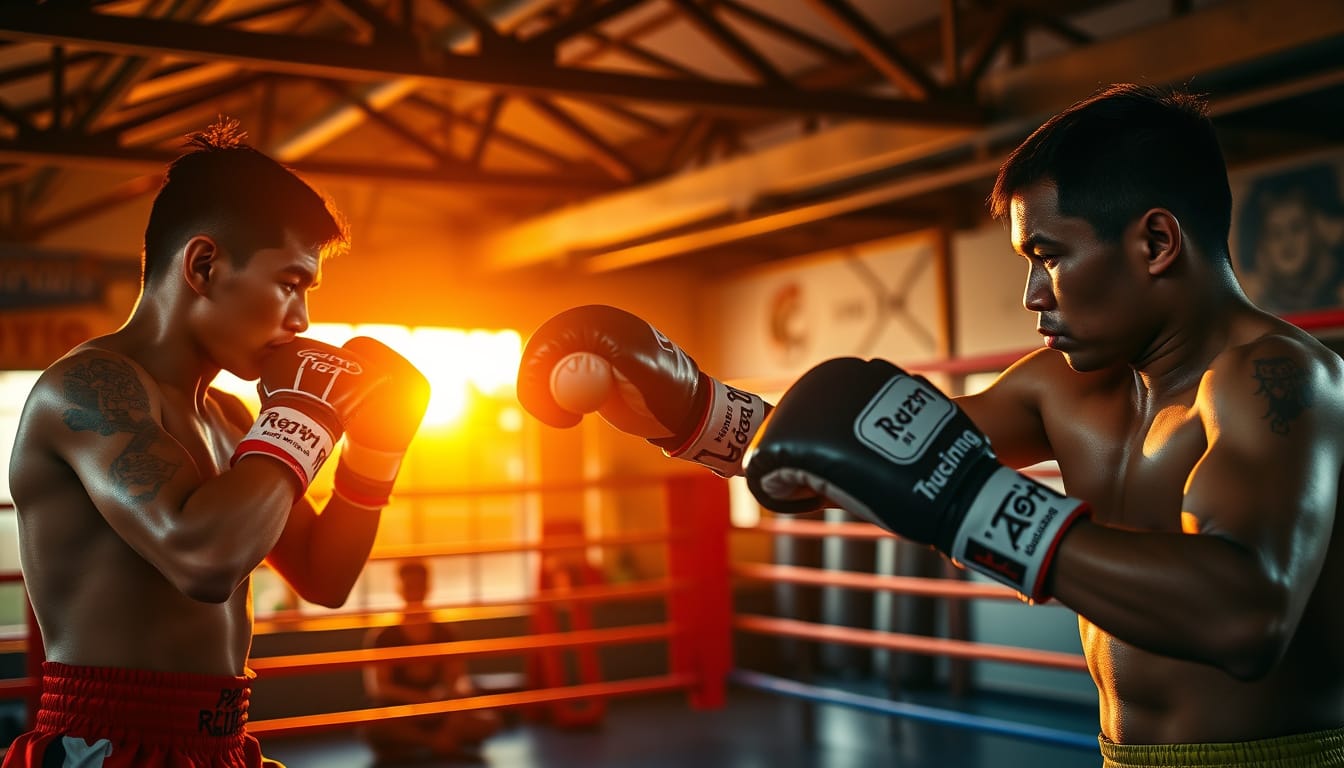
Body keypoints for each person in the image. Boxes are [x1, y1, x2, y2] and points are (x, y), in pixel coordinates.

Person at [516, 84, 1344, 765]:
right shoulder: (1065, 389)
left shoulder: (1276, 379)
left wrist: (976, 507)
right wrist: (691, 411)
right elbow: (864, 453)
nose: (1033, 296)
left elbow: (1247, 614)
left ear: (1156, 241)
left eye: (1049, 256)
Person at [5, 119, 430, 767]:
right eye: (290, 283)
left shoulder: (231, 416)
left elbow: (324, 574)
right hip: (109, 745)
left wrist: (376, 451)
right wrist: (305, 416)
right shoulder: (86, 391)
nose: (302, 320)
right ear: (204, 265)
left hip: (224, 746)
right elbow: (202, 558)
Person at [361, 558, 501, 764]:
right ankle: (435, 742)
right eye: (409, 586)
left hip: (439, 710)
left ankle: (430, 741)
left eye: (419, 586)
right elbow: (379, 688)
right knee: (373, 728)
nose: (415, 592)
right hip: (403, 710)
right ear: (399, 589)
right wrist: (419, 700)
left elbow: (458, 679)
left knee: (489, 721)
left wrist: (448, 704)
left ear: (428, 587)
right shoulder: (384, 636)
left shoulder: (445, 632)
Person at [1235, 163, 1344, 314]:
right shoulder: (1258, 313)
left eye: (1297, 227)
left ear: (1316, 230)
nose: (1287, 242)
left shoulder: (1336, 298)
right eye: (1275, 233)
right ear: (1262, 245)